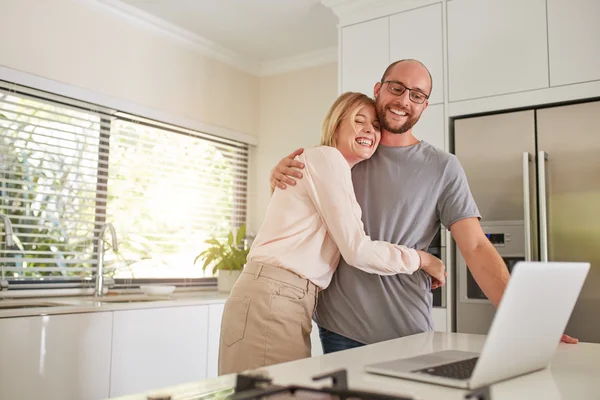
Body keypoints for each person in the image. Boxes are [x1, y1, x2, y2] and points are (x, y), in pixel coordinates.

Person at [270, 59, 578, 352]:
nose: (404, 100)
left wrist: (525, 319)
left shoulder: (442, 167)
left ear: (424, 106)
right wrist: (277, 177)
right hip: (340, 326)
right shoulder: (347, 152)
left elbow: (475, 246)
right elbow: (298, 208)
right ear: (378, 89)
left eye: (416, 95)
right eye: (397, 88)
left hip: (407, 325)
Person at [218, 92, 446, 375]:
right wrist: (423, 260)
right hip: (275, 297)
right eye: (358, 121)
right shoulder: (327, 158)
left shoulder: (326, 166)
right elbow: (358, 250)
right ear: (336, 126)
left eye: (375, 126)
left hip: (278, 297)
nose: (369, 130)